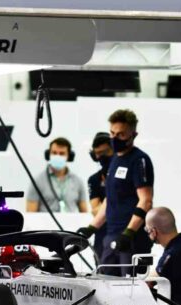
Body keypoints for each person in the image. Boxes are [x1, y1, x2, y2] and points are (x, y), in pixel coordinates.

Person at [77, 109, 154, 276]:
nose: (115, 138)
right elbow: (109, 200)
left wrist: (129, 232)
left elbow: (146, 200)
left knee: (131, 290)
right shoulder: (115, 161)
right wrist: (91, 228)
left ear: (133, 134)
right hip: (111, 236)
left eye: (121, 135)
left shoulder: (139, 160)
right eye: (112, 133)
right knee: (106, 283)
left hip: (131, 239)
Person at [26, 137, 88, 213]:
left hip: (71, 224)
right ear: (48, 154)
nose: (57, 156)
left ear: (69, 156)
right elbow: (30, 213)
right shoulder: (37, 181)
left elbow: (84, 212)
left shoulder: (77, 181)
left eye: (62, 153)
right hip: (45, 224)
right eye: (54, 153)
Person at [86, 132, 113, 260]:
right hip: (102, 234)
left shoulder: (125, 174)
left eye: (106, 152)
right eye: (98, 153)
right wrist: (116, 201)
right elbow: (95, 210)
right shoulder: (94, 179)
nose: (102, 156)